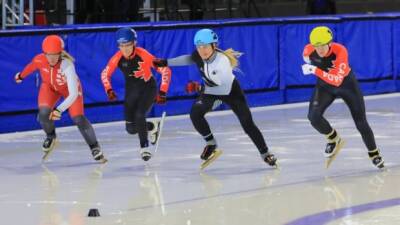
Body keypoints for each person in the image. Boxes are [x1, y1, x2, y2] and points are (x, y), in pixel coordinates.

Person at [153, 28, 278, 169]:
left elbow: (224, 90)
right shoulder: (198, 55)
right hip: (210, 91)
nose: (202, 50)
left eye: (205, 47)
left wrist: (199, 88)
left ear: (214, 45)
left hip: (231, 93)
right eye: (199, 47)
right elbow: (188, 58)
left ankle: (265, 153)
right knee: (195, 113)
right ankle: (211, 143)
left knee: (247, 124)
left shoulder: (222, 62)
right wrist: (166, 62)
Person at [301, 26, 384, 169]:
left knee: (361, 122)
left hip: (346, 85)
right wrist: (316, 69)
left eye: (322, 46)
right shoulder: (308, 52)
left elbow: (337, 80)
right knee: (313, 116)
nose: (319, 49)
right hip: (324, 86)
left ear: (329, 43)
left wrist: (315, 70)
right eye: (316, 46)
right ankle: (333, 139)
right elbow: (311, 62)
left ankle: (374, 153)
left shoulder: (340, 51)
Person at [15, 35, 106, 163]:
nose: (51, 58)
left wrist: (59, 109)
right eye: (48, 55)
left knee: (78, 118)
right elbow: (30, 67)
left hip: (69, 90)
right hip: (50, 88)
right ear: (44, 53)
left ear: (60, 53)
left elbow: (73, 94)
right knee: (43, 114)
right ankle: (51, 136)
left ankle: (94, 147)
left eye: (55, 55)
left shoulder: (67, 66)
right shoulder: (39, 60)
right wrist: (21, 76)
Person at [101, 27, 171, 161]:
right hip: (131, 91)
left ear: (134, 43)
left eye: (128, 45)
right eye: (122, 46)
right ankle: (152, 126)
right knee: (131, 129)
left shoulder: (143, 54)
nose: (125, 49)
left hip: (148, 88)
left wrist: (162, 91)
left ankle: (144, 147)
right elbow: (105, 74)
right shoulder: (117, 58)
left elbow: (165, 70)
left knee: (139, 115)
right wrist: (108, 89)